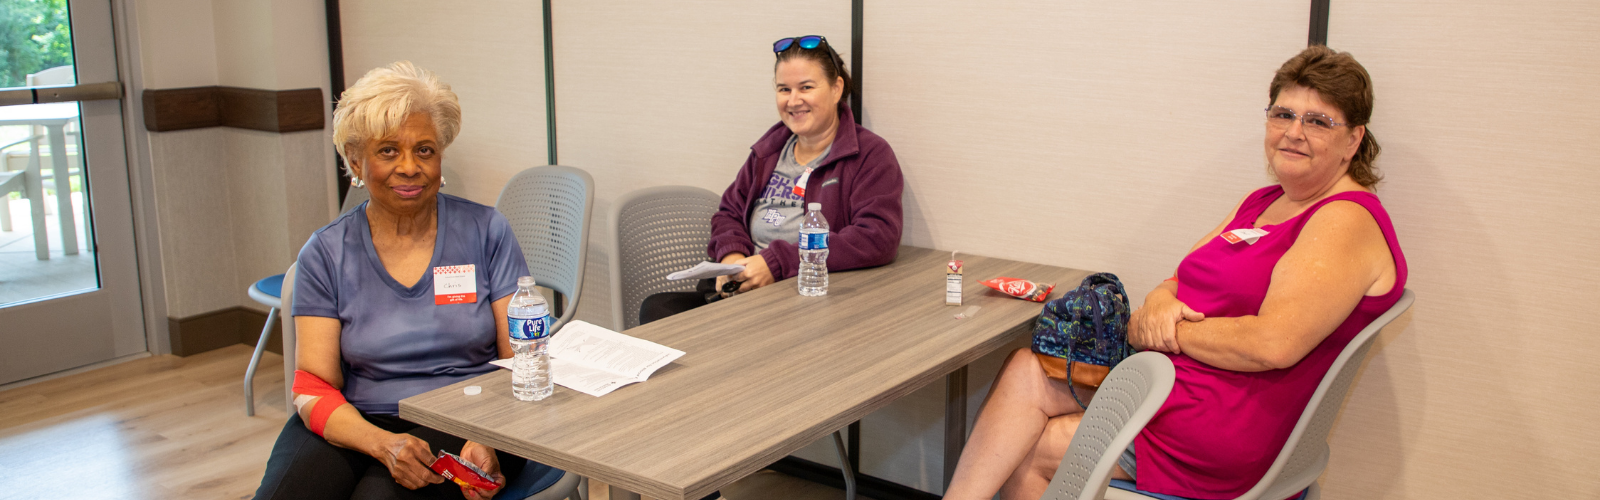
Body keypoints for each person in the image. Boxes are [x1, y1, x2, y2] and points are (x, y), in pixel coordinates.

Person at [943, 45, 1408, 500]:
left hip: (1222, 425)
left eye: (1318, 121)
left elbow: (1273, 344)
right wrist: (1162, 304)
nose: (1294, 132)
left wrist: (1167, 331)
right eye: (1283, 114)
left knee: (1029, 451)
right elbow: (1179, 278)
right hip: (1175, 386)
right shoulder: (1266, 201)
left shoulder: (1345, 219)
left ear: (1353, 140)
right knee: (1027, 369)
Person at [255, 61, 542, 500]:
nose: (409, 167)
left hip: (466, 417)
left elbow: (521, 360)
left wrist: (490, 439)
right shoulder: (326, 252)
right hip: (358, 417)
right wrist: (380, 443)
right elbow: (314, 383)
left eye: (424, 150)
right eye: (388, 150)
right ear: (355, 160)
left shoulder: (486, 231)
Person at [637, 35, 905, 325]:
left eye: (806, 87)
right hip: (746, 290)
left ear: (836, 88)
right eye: (783, 89)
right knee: (657, 310)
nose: (793, 101)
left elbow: (877, 237)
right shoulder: (769, 151)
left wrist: (776, 264)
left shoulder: (869, 154)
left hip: (806, 294)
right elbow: (729, 214)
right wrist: (732, 258)